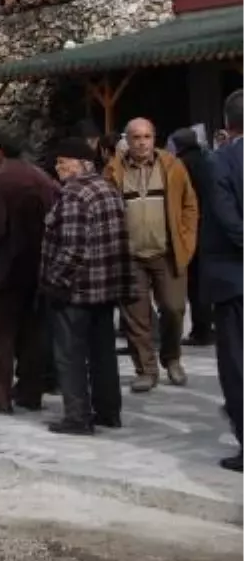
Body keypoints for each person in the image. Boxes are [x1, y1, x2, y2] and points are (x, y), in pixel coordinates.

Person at [40, 138, 133, 435]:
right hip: (106, 287)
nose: (58, 168)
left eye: (62, 162)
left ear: (81, 163)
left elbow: (73, 250)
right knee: (103, 352)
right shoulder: (109, 189)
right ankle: (109, 411)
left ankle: (77, 417)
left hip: (76, 290)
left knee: (70, 355)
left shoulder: (75, 195)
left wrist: (54, 280)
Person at [104, 118, 199, 392]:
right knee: (136, 317)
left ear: (154, 138)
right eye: (136, 137)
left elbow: (189, 205)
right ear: (127, 140)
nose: (142, 142)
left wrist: (187, 240)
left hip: (166, 252)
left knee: (174, 308)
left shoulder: (172, 166)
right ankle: (145, 369)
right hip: (131, 256)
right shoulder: (113, 170)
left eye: (147, 136)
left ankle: (172, 357)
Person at [0, 127, 58, 414]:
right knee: (33, 332)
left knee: (2, 336)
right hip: (38, 266)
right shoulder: (44, 179)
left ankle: (1, 395)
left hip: (4, 268)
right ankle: (31, 392)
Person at [202, 90, 244, 472]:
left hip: (234, 279)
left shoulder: (221, 161)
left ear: (227, 124)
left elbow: (228, 220)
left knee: (236, 363)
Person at [172, 127, 215, 346]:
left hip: (191, 228)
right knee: (206, 280)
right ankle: (208, 326)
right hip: (211, 227)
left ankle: (200, 330)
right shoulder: (209, 160)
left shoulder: (180, 166)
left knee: (194, 282)